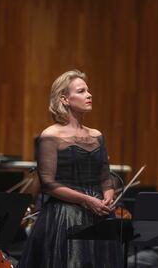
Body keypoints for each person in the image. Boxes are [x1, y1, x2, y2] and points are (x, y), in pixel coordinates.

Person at [18, 70, 122, 267]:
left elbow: (105, 177)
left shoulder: (97, 135)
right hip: (66, 216)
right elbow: (48, 184)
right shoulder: (51, 135)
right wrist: (87, 200)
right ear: (64, 99)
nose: (89, 95)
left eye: (88, 91)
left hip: (99, 214)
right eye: (82, 91)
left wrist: (108, 196)